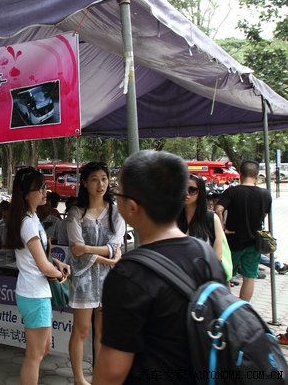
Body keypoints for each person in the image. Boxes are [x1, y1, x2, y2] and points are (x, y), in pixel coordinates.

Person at [93, 150, 225, 384]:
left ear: (132, 206)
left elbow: (112, 372)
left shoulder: (127, 275)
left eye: (118, 193)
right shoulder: (206, 255)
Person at [4, 167, 70, 385]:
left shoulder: (32, 218)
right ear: (25, 194)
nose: (45, 191)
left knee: (44, 348)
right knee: (34, 356)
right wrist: (60, 275)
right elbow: (42, 266)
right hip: (34, 294)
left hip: (37, 292)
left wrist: (57, 263)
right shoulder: (28, 223)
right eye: (39, 188)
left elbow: (41, 256)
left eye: (44, 187)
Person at [66, 161, 125, 385]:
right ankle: (79, 379)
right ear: (84, 183)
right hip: (83, 280)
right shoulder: (76, 213)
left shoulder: (116, 213)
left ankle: (99, 377)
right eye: (94, 179)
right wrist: (108, 258)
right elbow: (76, 251)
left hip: (108, 280)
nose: (100, 184)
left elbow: (114, 246)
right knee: (81, 330)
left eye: (104, 179)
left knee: (102, 332)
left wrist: (88, 249)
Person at [215, 160, 272, 302]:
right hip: (254, 241)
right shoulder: (265, 194)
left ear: (240, 174)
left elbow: (218, 209)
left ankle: (227, 304)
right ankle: (243, 307)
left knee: (226, 274)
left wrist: (222, 227)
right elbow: (265, 214)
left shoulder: (232, 192)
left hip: (233, 240)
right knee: (249, 277)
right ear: (257, 176)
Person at [177, 174, 225, 260]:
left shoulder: (211, 218)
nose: (186, 193)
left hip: (203, 267)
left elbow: (218, 255)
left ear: (200, 192)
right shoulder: (173, 217)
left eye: (192, 190)